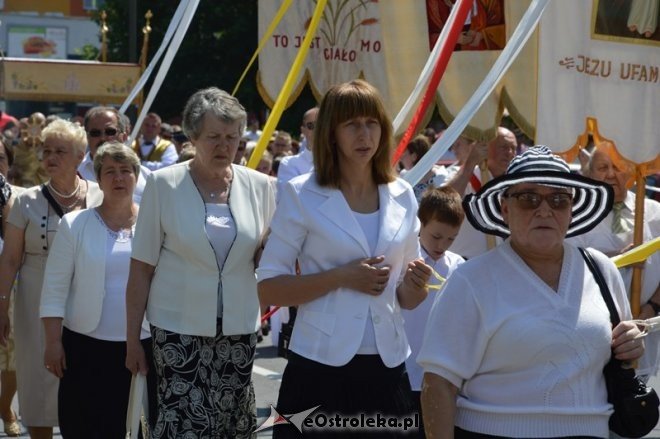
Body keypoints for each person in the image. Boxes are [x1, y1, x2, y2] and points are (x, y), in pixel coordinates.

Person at [418, 146, 644, 438]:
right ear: (505, 208)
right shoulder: (470, 280)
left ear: (571, 210)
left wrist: (630, 347)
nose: (544, 210)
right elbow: (437, 383)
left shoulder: (601, 271)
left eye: (559, 200)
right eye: (528, 199)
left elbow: (618, 358)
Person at [257, 79, 432, 438]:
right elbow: (268, 287)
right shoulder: (301, 193)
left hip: (388, 365)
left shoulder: (402, 194)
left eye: (372, 123)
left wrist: (416, 286)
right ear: (330, 133)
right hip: (319, 367)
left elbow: (406, 298)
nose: (364, 134)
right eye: (352, 124)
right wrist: (341, 277)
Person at [125, 87, 275, 438]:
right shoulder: (163, 184)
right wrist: (132, 338)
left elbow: (264, 258)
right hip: (177, 327)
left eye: (232, 137)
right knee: (185, 423)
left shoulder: (262, 187)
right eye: (213, 137)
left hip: (238, 328)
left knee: (231, 421)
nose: (224, 146)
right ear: (193, 136)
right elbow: (141, 267)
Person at [39, 142, 156, 438]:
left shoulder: (155, 223)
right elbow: (54, 287)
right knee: (86, 427)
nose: (118, 178)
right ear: (98, 179)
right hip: (85, 345)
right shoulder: (74, 224)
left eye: (125, 171)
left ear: (136, 176)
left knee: (140, 428)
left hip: (144, 343)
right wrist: (53, 342)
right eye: (110, 172)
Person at [0, 119, 103, 439]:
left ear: (80, 155)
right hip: (34, 300)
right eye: (47, 151)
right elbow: (11, 259)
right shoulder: (25, 200)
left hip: (88, 298)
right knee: (38, 381)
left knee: (87, 380)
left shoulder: (100, 195)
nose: (51, 157)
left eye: (61, 151)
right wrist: (1, 307)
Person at [569, 141, 660, 380]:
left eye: (618, 167)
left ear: (630, 171)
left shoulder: (654, 212)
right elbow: (570, 265)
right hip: (596, 330)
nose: (611, 174)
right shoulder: (576, 216)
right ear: (589, 173)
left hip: (647, 326)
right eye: (602, 167)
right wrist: (618, 259)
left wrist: (651, 307)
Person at [402, 186, 465, 439]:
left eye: (451, 239)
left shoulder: (458, 265)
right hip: (405, 372)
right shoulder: (405, 259)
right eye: (436, 236)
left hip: (443, 375)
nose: (442, 245)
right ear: (420, 225)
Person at [444, 126, 517, 258]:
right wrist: (470, 163)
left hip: (498, 266)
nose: (510, 152)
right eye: (504, 147)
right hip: (464, 265)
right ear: (486, 148)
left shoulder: (515, 186)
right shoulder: (465, 177)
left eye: (514, 148)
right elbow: (443, 203)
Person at [78, 106, 151, 204]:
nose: (103, 138)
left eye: (110, 132)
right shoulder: (75, 173)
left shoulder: (146, 177)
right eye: (95, 133)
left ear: (124, 137)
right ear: (87, 138)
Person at [0, 141, 22, 437]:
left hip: (14, 289)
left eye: (0, 158)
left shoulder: (22, 198)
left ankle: (5, 407)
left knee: (13, 358)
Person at [399, 134, 449, 202]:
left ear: (414, 156)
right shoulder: (403, 175)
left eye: (404, 154)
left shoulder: (441, 179)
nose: (400, 158)